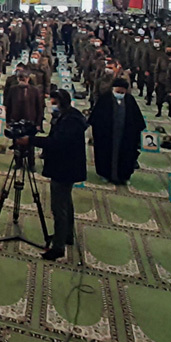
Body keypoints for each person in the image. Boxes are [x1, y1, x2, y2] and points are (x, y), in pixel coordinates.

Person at [24, 90, 86, 260]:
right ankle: (66, 235)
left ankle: (58, 247)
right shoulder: (69, 116)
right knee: (66, 203)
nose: (51, 106)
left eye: (54, 103)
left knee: (59, 208)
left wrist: (30, 140)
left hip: (64, 168)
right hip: (67, 167)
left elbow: (56, 142)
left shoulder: (69, 121)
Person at [89, 79, 144, 185]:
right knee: (105, 154)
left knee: (126, 156)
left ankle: (124, 176)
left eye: (122, 92)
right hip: (107, 135)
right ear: (113, 89)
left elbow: (137, 121)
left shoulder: (130, 100)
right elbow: (96, 119)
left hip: (125, 136)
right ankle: (105, 174)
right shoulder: (105, 99)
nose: (120, 94)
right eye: (118, 91)